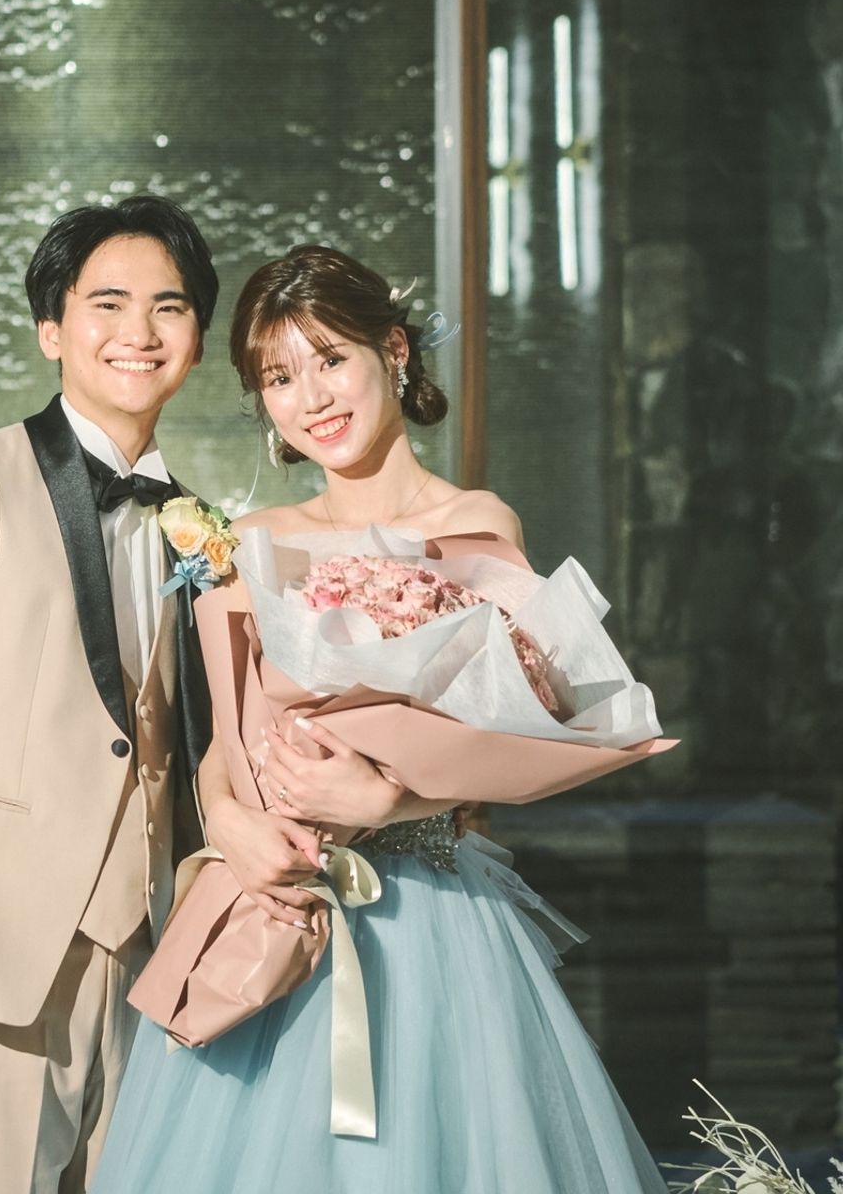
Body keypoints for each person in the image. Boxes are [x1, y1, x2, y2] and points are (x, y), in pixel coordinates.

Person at [91, 244, 668, 1193]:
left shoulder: (478, 528)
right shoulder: (252, 544)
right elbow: (223, 745)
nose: (310, 397)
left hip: (430, 924)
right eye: (279, 377)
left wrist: (393, 800)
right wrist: (228, 821)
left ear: (393, 351)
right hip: (279, 906)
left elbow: (511, 742)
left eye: (329, 359)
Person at [0, 196, 242, 1193]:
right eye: (107, 303)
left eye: (169, 306)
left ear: (196, 338)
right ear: (51, 329)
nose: (139, 330)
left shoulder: (197, 523)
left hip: (153, 966)